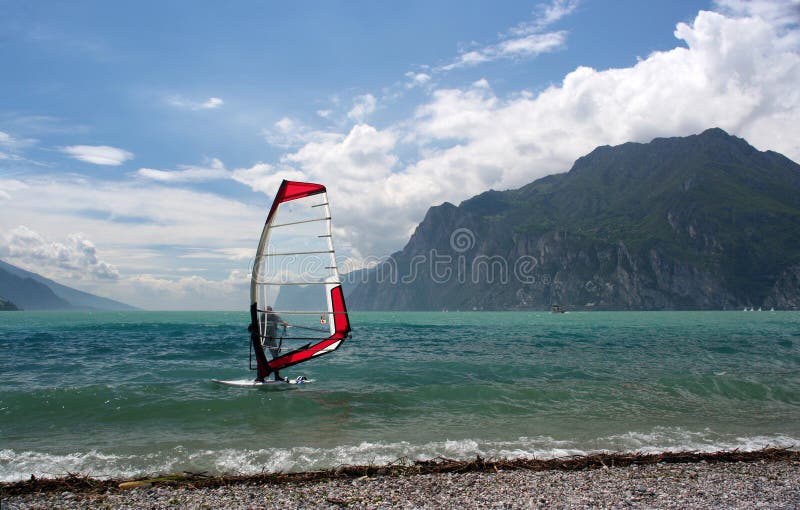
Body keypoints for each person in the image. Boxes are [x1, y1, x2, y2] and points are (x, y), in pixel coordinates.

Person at [263, 306, 288, 381]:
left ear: (271, 311)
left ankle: (277, 376)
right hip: (263, 340)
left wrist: (284, 324)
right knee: (261, 357)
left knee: (276, 358)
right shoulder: (262, 317)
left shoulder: (275, 317)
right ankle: (261, 376)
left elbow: (281, 323)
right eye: (266, 312)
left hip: (272, 340)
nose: (267, 313)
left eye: (268, 312)